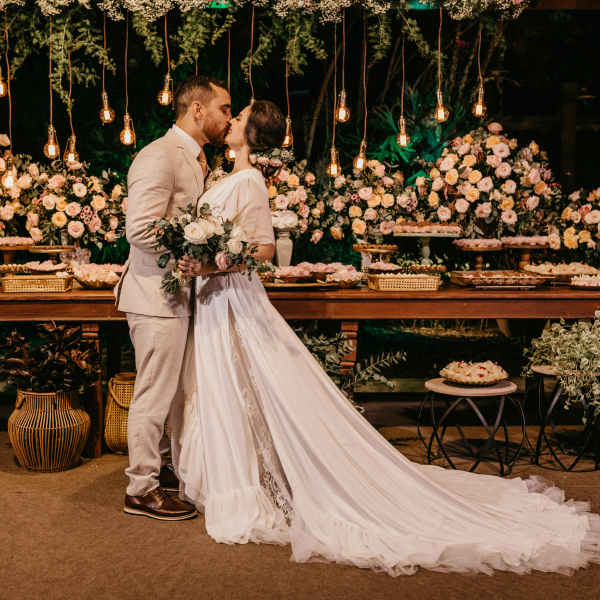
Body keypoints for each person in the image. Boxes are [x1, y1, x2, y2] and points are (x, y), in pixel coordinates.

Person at [175, 100, 600, 575]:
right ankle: (243, 477)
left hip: (232, 295)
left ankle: (256, 488)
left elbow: (265, 248)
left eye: (239, 117)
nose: (231, 120)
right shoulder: (224, 175)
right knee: (230, 388)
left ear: (252, 133)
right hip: (214, 299)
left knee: (246, 384)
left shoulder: (250, 180)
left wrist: (214, 263)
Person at [115, 75, 231, 521]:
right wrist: (197, 249)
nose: (228, 118)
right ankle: (140, 488)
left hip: (180, 296)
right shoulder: (159, 155)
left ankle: (163, 468)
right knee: (153, 394)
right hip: (153, 297)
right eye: (224, 108)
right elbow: (140, 230)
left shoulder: (197, 158)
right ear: (197, 109)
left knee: (174, 395)